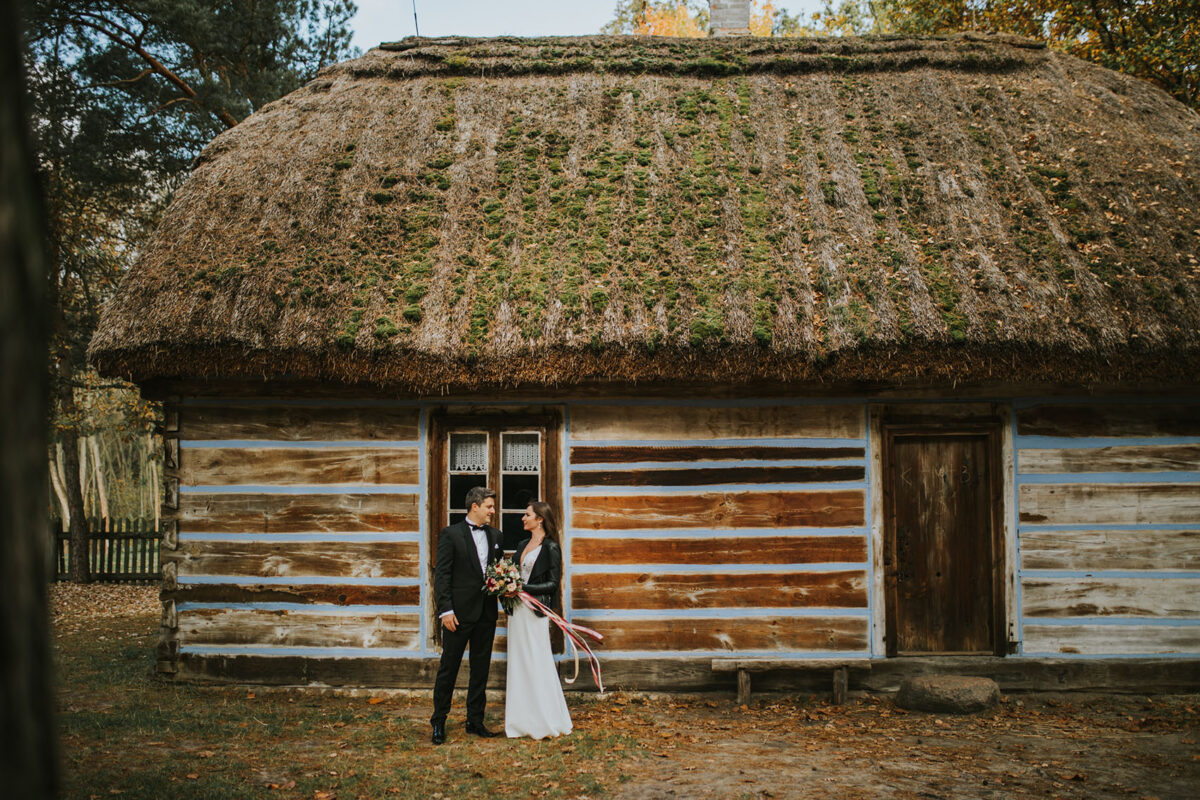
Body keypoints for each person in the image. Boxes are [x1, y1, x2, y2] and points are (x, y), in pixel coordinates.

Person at [430, 486, 504, 744]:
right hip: (457, 615)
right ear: (475, 507)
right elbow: (442, 576)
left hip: (486, 614)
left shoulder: (496, 536)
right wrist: (445, 610)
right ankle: (438, 721)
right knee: (448, 668)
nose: (493, 511)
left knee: (480, 669)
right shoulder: (451, 534)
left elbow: (497, 573)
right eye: (489, 507)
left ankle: (475, 720)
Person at [505, 501, 572, 739]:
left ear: (540, 519)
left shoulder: (551, 547)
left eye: (527, 514)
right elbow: (510, 573)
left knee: (537, 659)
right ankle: (521, 720)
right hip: (516, 612)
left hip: (534, 611)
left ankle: (546, 718)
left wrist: (522, 587)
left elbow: (553, 584)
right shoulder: (522, 544)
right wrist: (505, 585)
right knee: (519, 661)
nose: (523, 518)